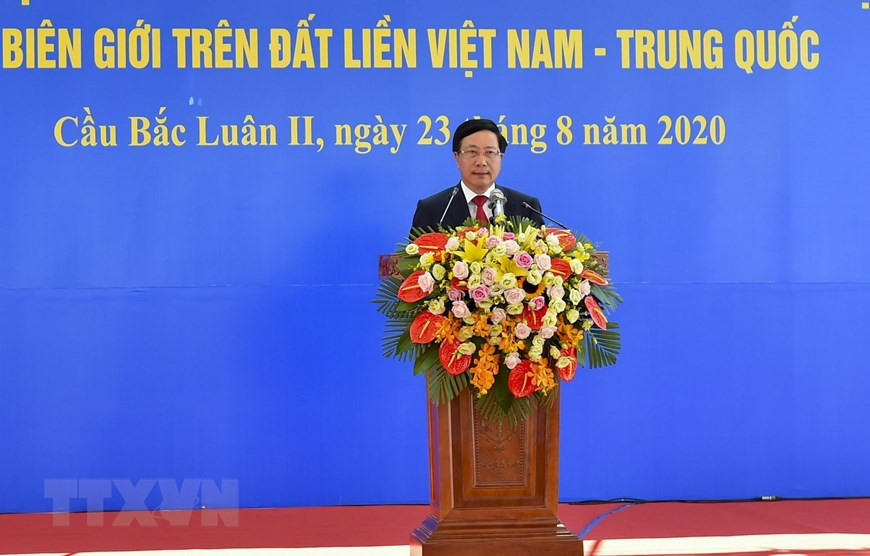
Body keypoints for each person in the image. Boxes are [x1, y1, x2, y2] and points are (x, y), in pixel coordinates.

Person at [411, 118, 545, 231]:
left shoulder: (526, 208)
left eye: (490, 152)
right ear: (457, 157)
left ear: (501, 157)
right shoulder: (432, 210)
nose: (481, 162)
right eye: (472, 152)